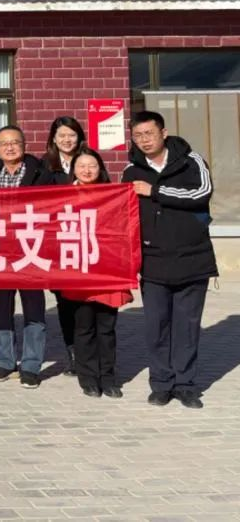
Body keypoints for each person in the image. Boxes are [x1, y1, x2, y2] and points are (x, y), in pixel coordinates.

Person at [123, 111, 217, 409]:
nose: (144, 140)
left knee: (187, 327)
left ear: (163, 133)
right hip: (153, 261)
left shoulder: (191, 161)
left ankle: (185, 385)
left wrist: (155, 191)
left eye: (149, 134)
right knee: (156, 327)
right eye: (138, 136)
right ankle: (161, 384)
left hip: (192, 258)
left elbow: (202, 193)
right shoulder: (131, 170)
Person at [0, 124, 55, 389]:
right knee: (2, 309)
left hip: (30, 249)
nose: (10, 147)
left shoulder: (41, 174)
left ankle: (31, 366)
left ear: (24, 146)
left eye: (15, 142)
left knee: (33, 309)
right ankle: (5, 362)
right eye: (4, 143)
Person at [60, 146, 131, 399]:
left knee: (106, 327)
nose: (87, 170)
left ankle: (109, 378)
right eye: (82, 166)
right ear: (73, 170)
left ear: (100, 169)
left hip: (107, 269)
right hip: (79, 270)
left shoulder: (113, 195)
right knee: (84, 327)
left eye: (92, 166)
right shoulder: (63, 196)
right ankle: (88, 378)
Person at [43, 116, 88, 377]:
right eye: (61, 135)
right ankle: (72, 354)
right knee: (64, 301)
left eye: (71, 135)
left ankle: (87, 353)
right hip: (57, 243)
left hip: (84, 240)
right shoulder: (45, 166)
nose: (67, 140)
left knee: (86, 300)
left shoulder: (89, 160)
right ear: (53, 139)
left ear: (79, 137)